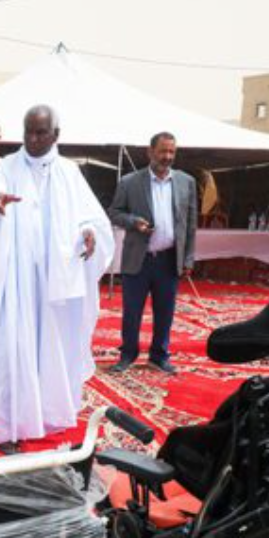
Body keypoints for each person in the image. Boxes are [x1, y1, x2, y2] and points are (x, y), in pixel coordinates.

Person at [0, 104, 113, 449]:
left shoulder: (69, 173)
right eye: (28, 130)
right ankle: (6, 423)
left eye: (40, 132)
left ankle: (44, 413)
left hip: (54, 282)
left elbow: (91, 217)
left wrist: (88, 231)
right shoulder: (7, 167)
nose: (32, 138)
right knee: (11, 351)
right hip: (13, 283)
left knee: (49, 348)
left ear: (56, 135)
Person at [107, 131, 198, 374]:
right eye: (163, 151)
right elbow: (114, 212)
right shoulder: (129, 182)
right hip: (139, 258)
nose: (167, 156)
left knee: (165, 312)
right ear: (150, 152)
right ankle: (127, 354)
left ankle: (159, 356)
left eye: (172, 152)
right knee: (132, 311)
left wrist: (188, 257)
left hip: (169, 259)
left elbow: (190, 223)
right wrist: (134, 221)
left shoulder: (186, 182)